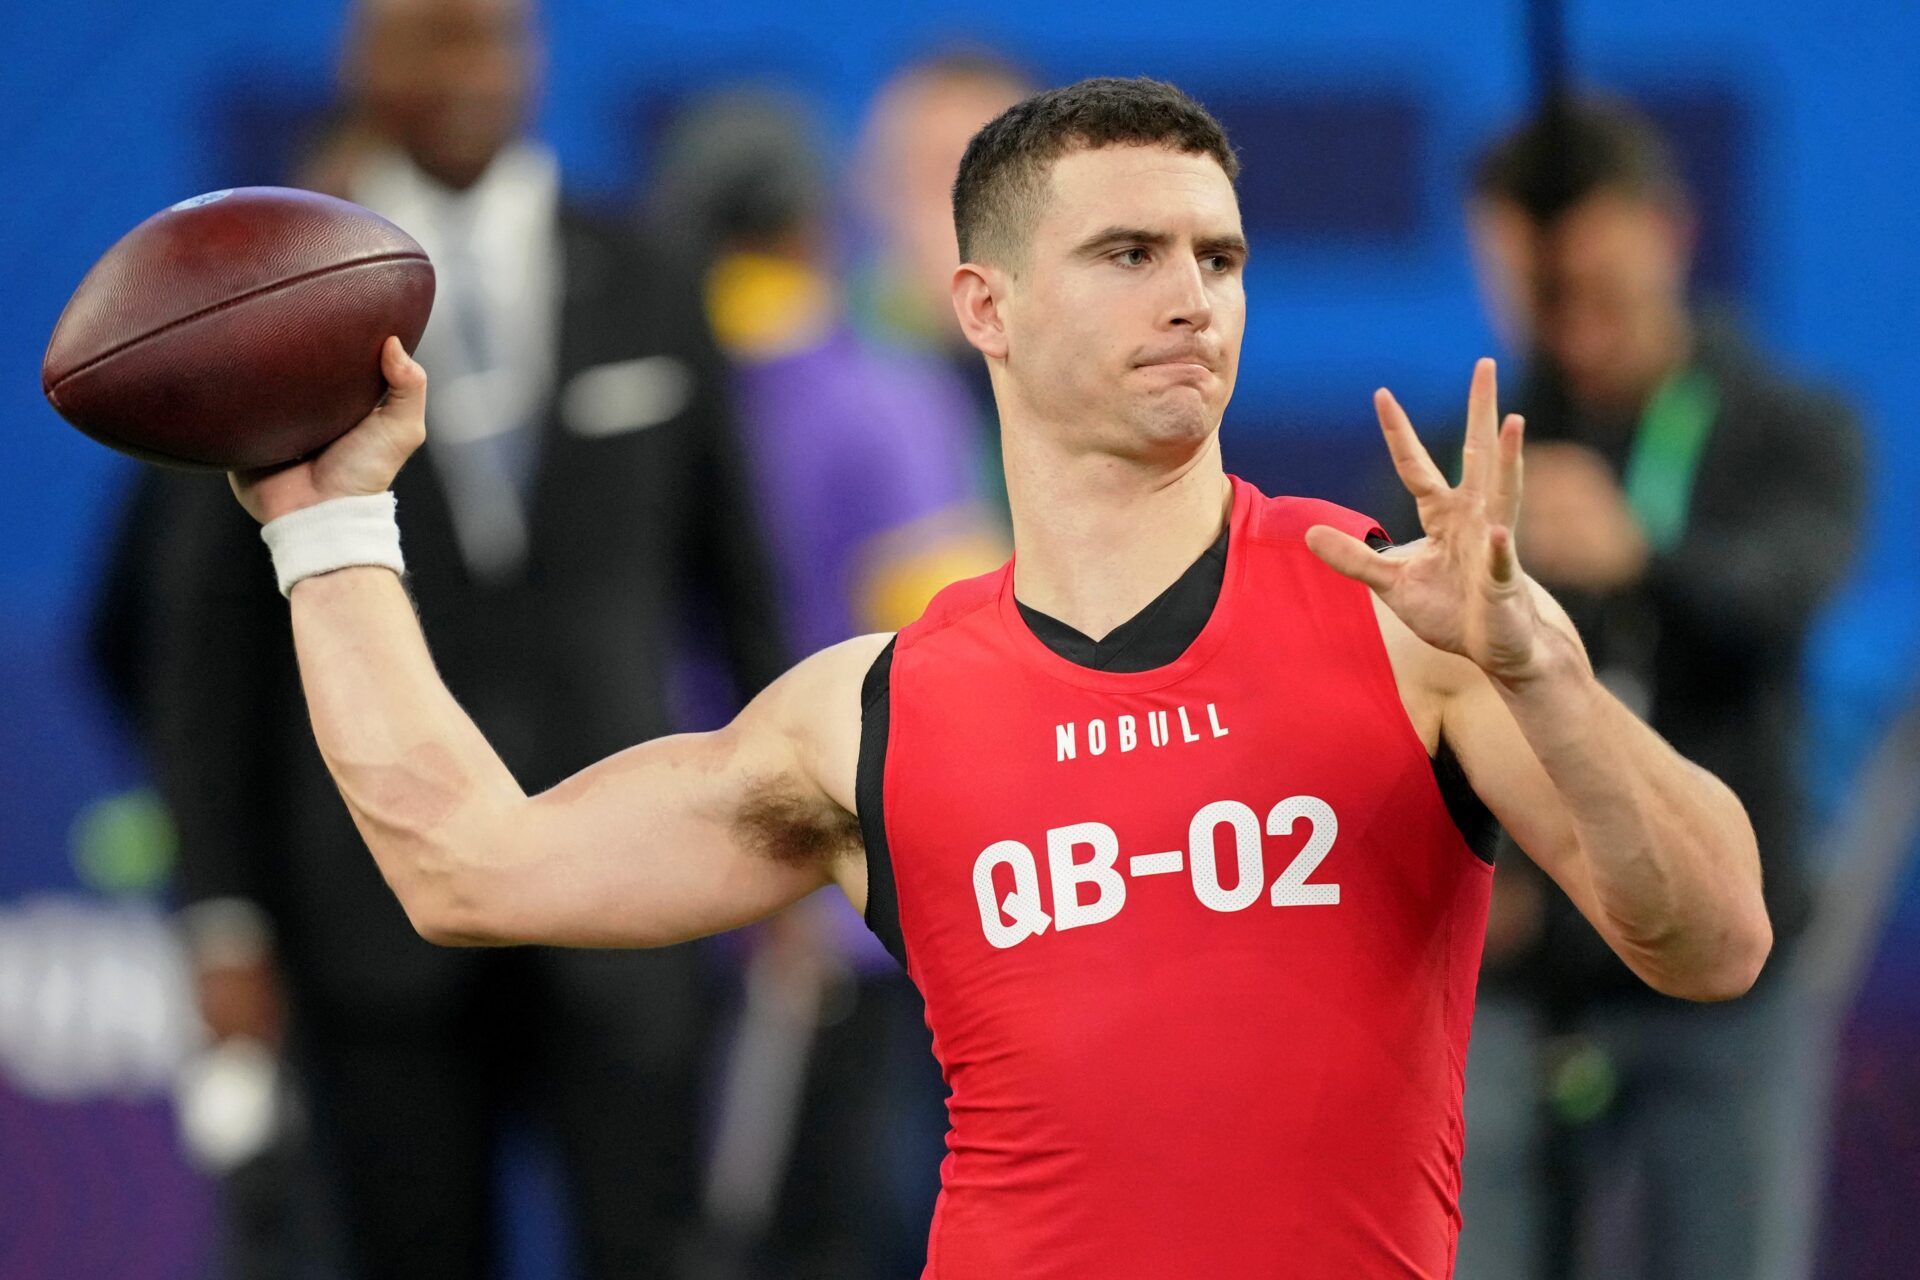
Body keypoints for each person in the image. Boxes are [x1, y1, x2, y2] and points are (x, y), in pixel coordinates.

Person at [222, 78, 1772, 1278]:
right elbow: (470, 867)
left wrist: (1551, 676)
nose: (1193, 295)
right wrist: (329, 515)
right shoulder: (871, 714)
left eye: (1219, 256)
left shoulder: (1402, 616)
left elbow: (1712, 941)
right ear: (986, 307)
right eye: (1129, 253)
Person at [142, 0, 787, 1276]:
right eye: (432, 39)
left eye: (494, 38)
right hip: (367, 907)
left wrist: (793, 845)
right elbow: (199, 647)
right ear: (359, 66)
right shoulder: (261, 304)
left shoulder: (648, 268)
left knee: (649, 1248)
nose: (471, 72)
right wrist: (222, 911)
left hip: (633, 889)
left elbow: (741, 584)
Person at [1454, 98, 1866, 1280]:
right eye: (1537, 298)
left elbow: (1779, 598)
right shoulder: (1467, 455)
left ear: (1668, 233)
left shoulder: (1789, 427)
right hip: (1521, 981)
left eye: (1596, 292)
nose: (1569, 328)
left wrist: (1637, 555)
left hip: (1727, 983)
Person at [645, 91, 1001, 1275]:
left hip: (651, 899)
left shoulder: (631, 409)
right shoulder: (883, 403)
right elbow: (958, 661)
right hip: (844, 917)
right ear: (812, 225)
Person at [850, 50, 1036, 521]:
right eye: (937, 178)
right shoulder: (812, 393)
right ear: (875, 195)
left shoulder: (1092, 386)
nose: (971, 218)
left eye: (1000, 185)